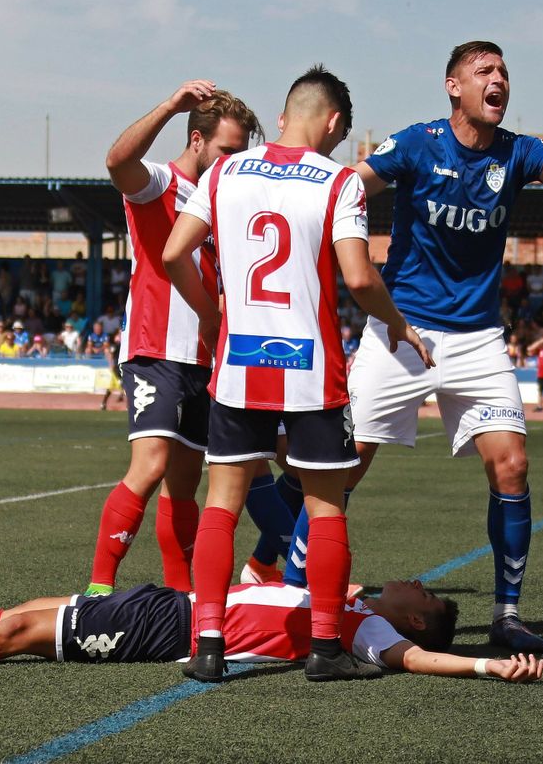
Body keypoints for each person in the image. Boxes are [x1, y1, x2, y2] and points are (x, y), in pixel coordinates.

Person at [340, 40, 543, 652]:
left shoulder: (516, 154)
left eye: (504, 73)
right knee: (345, 462)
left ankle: (506, 614)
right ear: (452, 85)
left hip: (479, 339)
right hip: (401, 332)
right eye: (484, 71)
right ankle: (299, 590)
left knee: (511, 465)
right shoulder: (415, 143)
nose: (499, 80)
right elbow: (351, 188)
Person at [162, 65, 432, 682]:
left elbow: (175, 252)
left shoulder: (226, 170)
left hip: (240, 362)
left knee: (222, 506)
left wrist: (212, 319)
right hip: (310, 367)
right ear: (335, 123)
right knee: (327, 507)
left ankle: (208, 646)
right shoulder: (340, 183)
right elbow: (360, 277)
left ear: (283, 116)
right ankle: (326, 650)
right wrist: (397, 324)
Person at [86, 81, 261, 597]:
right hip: (154, 348)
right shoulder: (159, 183)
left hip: (204, 359)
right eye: (226, 150)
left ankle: (180, 597)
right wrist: (167, 106)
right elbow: (117, 161)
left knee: (184, 488)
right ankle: (98, 589)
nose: (232, 162)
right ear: (197, 139)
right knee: (152, 464)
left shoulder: (221, 202)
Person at [0, 580, 542, 684]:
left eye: (424, 591)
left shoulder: (375, 626)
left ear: (414, 613)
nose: (412, 580)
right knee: (27, 607)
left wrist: (486, 666)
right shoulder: (347, 595)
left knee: (16, 633)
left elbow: (413, 658)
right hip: (178, 600)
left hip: (170, 629)